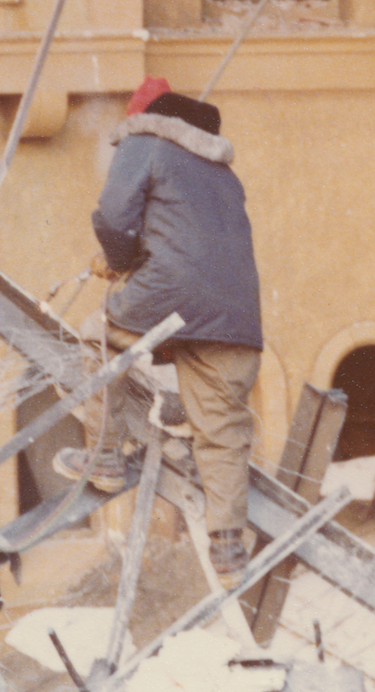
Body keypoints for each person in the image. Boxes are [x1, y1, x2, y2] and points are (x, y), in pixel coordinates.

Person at [54, 75, 262, 589]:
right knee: (222, 430)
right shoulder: (223, 173)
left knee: (96, 338)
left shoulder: (143, 141)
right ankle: (229, 548)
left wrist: (119, 262)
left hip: (171, 292)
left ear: (143, 116)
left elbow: (115, 218)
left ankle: (104, 457)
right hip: (237, 314)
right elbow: (191, 237)